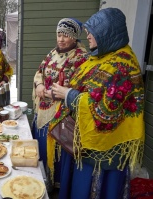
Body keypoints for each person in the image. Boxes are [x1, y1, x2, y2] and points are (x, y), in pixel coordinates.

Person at [49, 8, 145, 198]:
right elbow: (91, 86)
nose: (89, 36)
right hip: (84, 140)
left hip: (104, 150)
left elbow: (105, 110)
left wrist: (69, 95)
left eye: (92, 32)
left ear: (107, 32)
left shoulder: (121, 64)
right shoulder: (103, 55)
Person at [32, 18, 87, 189]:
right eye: (59, 35)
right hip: (44, 109)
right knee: (42, 147)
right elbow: (39, 72)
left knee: (57, 150)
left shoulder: (81, 57)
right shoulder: (52, 54)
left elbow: (78, 86)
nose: (61, 39)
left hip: (61, 114)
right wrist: (40, 84)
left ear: (74, 37)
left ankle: (55, 183)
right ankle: (42, 177)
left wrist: (53, 93)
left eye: (66, 36)